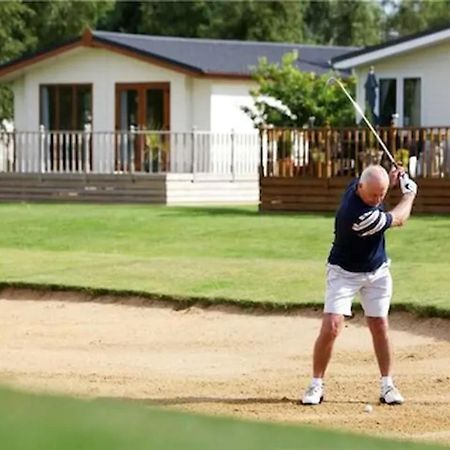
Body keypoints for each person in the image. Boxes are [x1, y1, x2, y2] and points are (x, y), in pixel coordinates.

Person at [302, 164, 417, 406]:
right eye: (374, 195)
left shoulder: (356, 185)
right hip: (343, 273)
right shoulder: (358, 215)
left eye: (382, 194)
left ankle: (388, 385)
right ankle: (316, 385)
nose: (378, 200)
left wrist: (392, 179)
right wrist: (409, 194)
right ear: (361, 187)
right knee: (332, 326)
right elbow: (399, 218)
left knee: (379, 324)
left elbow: (378, 185)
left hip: (377, 271)